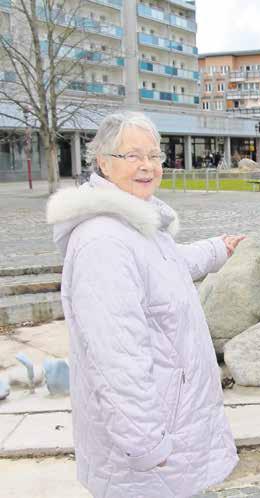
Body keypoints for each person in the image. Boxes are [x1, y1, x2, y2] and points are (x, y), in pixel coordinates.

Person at [47, 111, 244, 498]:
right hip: (149, 442)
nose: (148, 166)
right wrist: (146, 445)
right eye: (133, 156)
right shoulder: (104, 241)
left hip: (173, 419)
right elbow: (116, 358)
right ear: (102, 161)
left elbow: (166, 268)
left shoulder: (134, 224)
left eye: (154, 156)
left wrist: (216, 250)